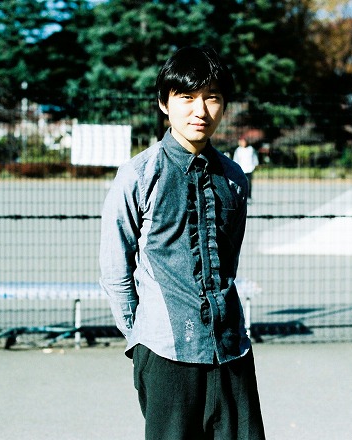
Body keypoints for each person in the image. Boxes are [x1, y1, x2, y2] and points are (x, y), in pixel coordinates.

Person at [99, 45, 265, 440]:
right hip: (165, 352)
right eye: (187, 97)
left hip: (231, 349)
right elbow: (115, 267)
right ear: (164, 103)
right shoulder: (139, 175)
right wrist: (139, 337)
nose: (200, 110)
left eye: (212, 97)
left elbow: (228, 261)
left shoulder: (234, 179)